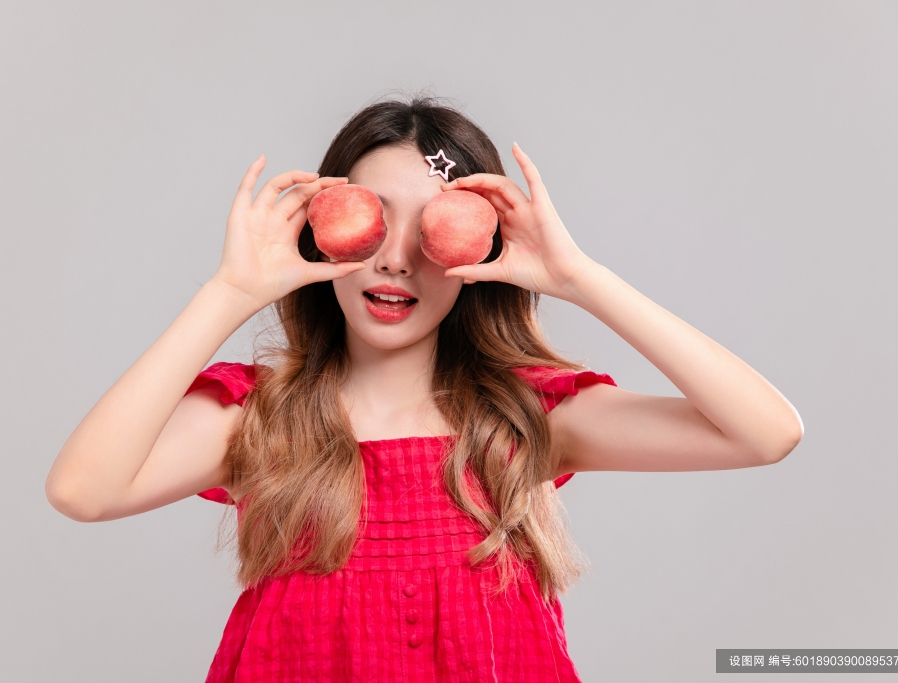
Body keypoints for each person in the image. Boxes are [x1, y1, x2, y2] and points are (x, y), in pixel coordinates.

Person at [45, 95, 803, 682]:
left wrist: (580, 278)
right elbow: (82, 489)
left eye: (433, 228)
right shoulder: (259, 418)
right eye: (372, 222)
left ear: (479, 252)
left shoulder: (521, 418)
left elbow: (764, 432)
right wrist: (227, 292)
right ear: (321, 231)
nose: (396, 261)